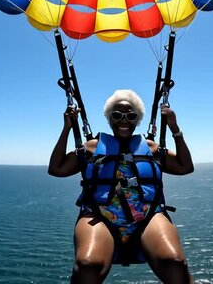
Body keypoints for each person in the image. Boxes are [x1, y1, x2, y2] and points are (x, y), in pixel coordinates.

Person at [49, 89, 194, 283]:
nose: (123, 120)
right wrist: (67, 128)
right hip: (100, 215)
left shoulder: (151, 148)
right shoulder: (92, 147)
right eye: (117, 115)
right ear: (109, 118)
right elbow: (57, 169)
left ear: (137, 119)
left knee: (175, 263)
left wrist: (175, 128)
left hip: (148, 215)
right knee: (87, 265)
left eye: (131, 115)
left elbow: (185, 167)